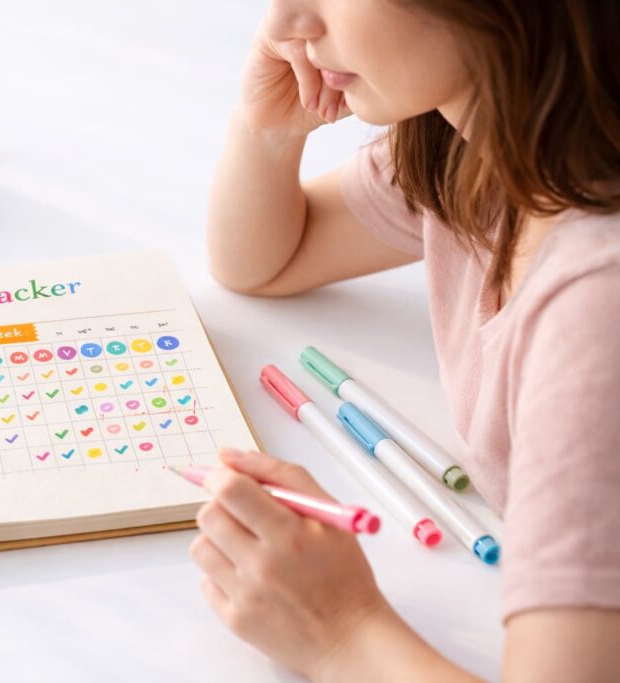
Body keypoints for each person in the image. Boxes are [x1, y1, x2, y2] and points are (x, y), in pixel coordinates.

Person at [197, 1, 620, 680]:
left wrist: (340, 629)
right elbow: (266, 258)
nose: (284, 25)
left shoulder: (597, 306)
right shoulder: (477, 142)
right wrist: (267, 126)